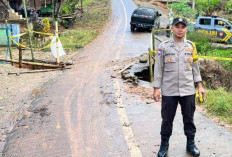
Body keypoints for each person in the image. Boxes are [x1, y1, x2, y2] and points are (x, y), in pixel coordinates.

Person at [153, 17, 205, 157]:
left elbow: (195, 68)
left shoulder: (191, 46)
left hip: (188, 89)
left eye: (183, 26)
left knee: (189, 119)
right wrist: (156, 88)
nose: (180, 29)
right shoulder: (163, 47)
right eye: (177, 26)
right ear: (172, 28)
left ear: (186, 28)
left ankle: (190, 144)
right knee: (167, 119)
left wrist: (199, 86)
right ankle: (164, 145)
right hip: (169, 90)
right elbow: (158, 68)